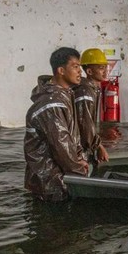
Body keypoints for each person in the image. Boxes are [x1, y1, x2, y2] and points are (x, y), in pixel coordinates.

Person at [24, 47, 89, 202]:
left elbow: (70, 137)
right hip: (50, 183)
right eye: (75, 67)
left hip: (57, 178)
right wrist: (79, 169)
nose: (80, 71)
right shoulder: (51, 104)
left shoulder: (63, 96)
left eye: (80, 67)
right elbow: (61, 144)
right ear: (61, 70)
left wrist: (80, 158)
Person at [74, 48, 110, 165]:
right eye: (100, 68)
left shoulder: (92, 89)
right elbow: (85, 124)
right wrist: (98, 147)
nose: (105, 71)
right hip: (78, 149)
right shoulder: (85, 92)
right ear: (89, 71)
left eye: (105, 67)